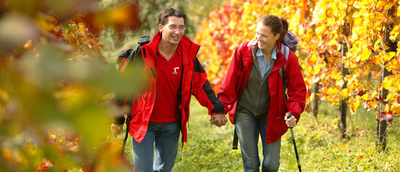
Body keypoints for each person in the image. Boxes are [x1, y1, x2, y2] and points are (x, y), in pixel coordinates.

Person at [111, 7, 228, 172]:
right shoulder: (143, 53)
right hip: (144, 122)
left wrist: (216, 109)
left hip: (172, 124)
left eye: (181, 27)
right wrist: (117, 119)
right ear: (161, 27)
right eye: (172, 26)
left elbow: (200, 85)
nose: (177, 32)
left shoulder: (187, 56)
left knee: (164, 170)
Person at [217, 15, 306, 172]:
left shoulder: (287, 57)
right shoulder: (243, 51)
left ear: (276, 36)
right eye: (257, 33)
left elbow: (297, 91)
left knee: (271, 165)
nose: (259, 38)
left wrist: (293, 113)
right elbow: (229, 85)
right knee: (250, 165)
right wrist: (220, 110)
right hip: (244, 111)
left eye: (264, 35)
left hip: (272, 114)